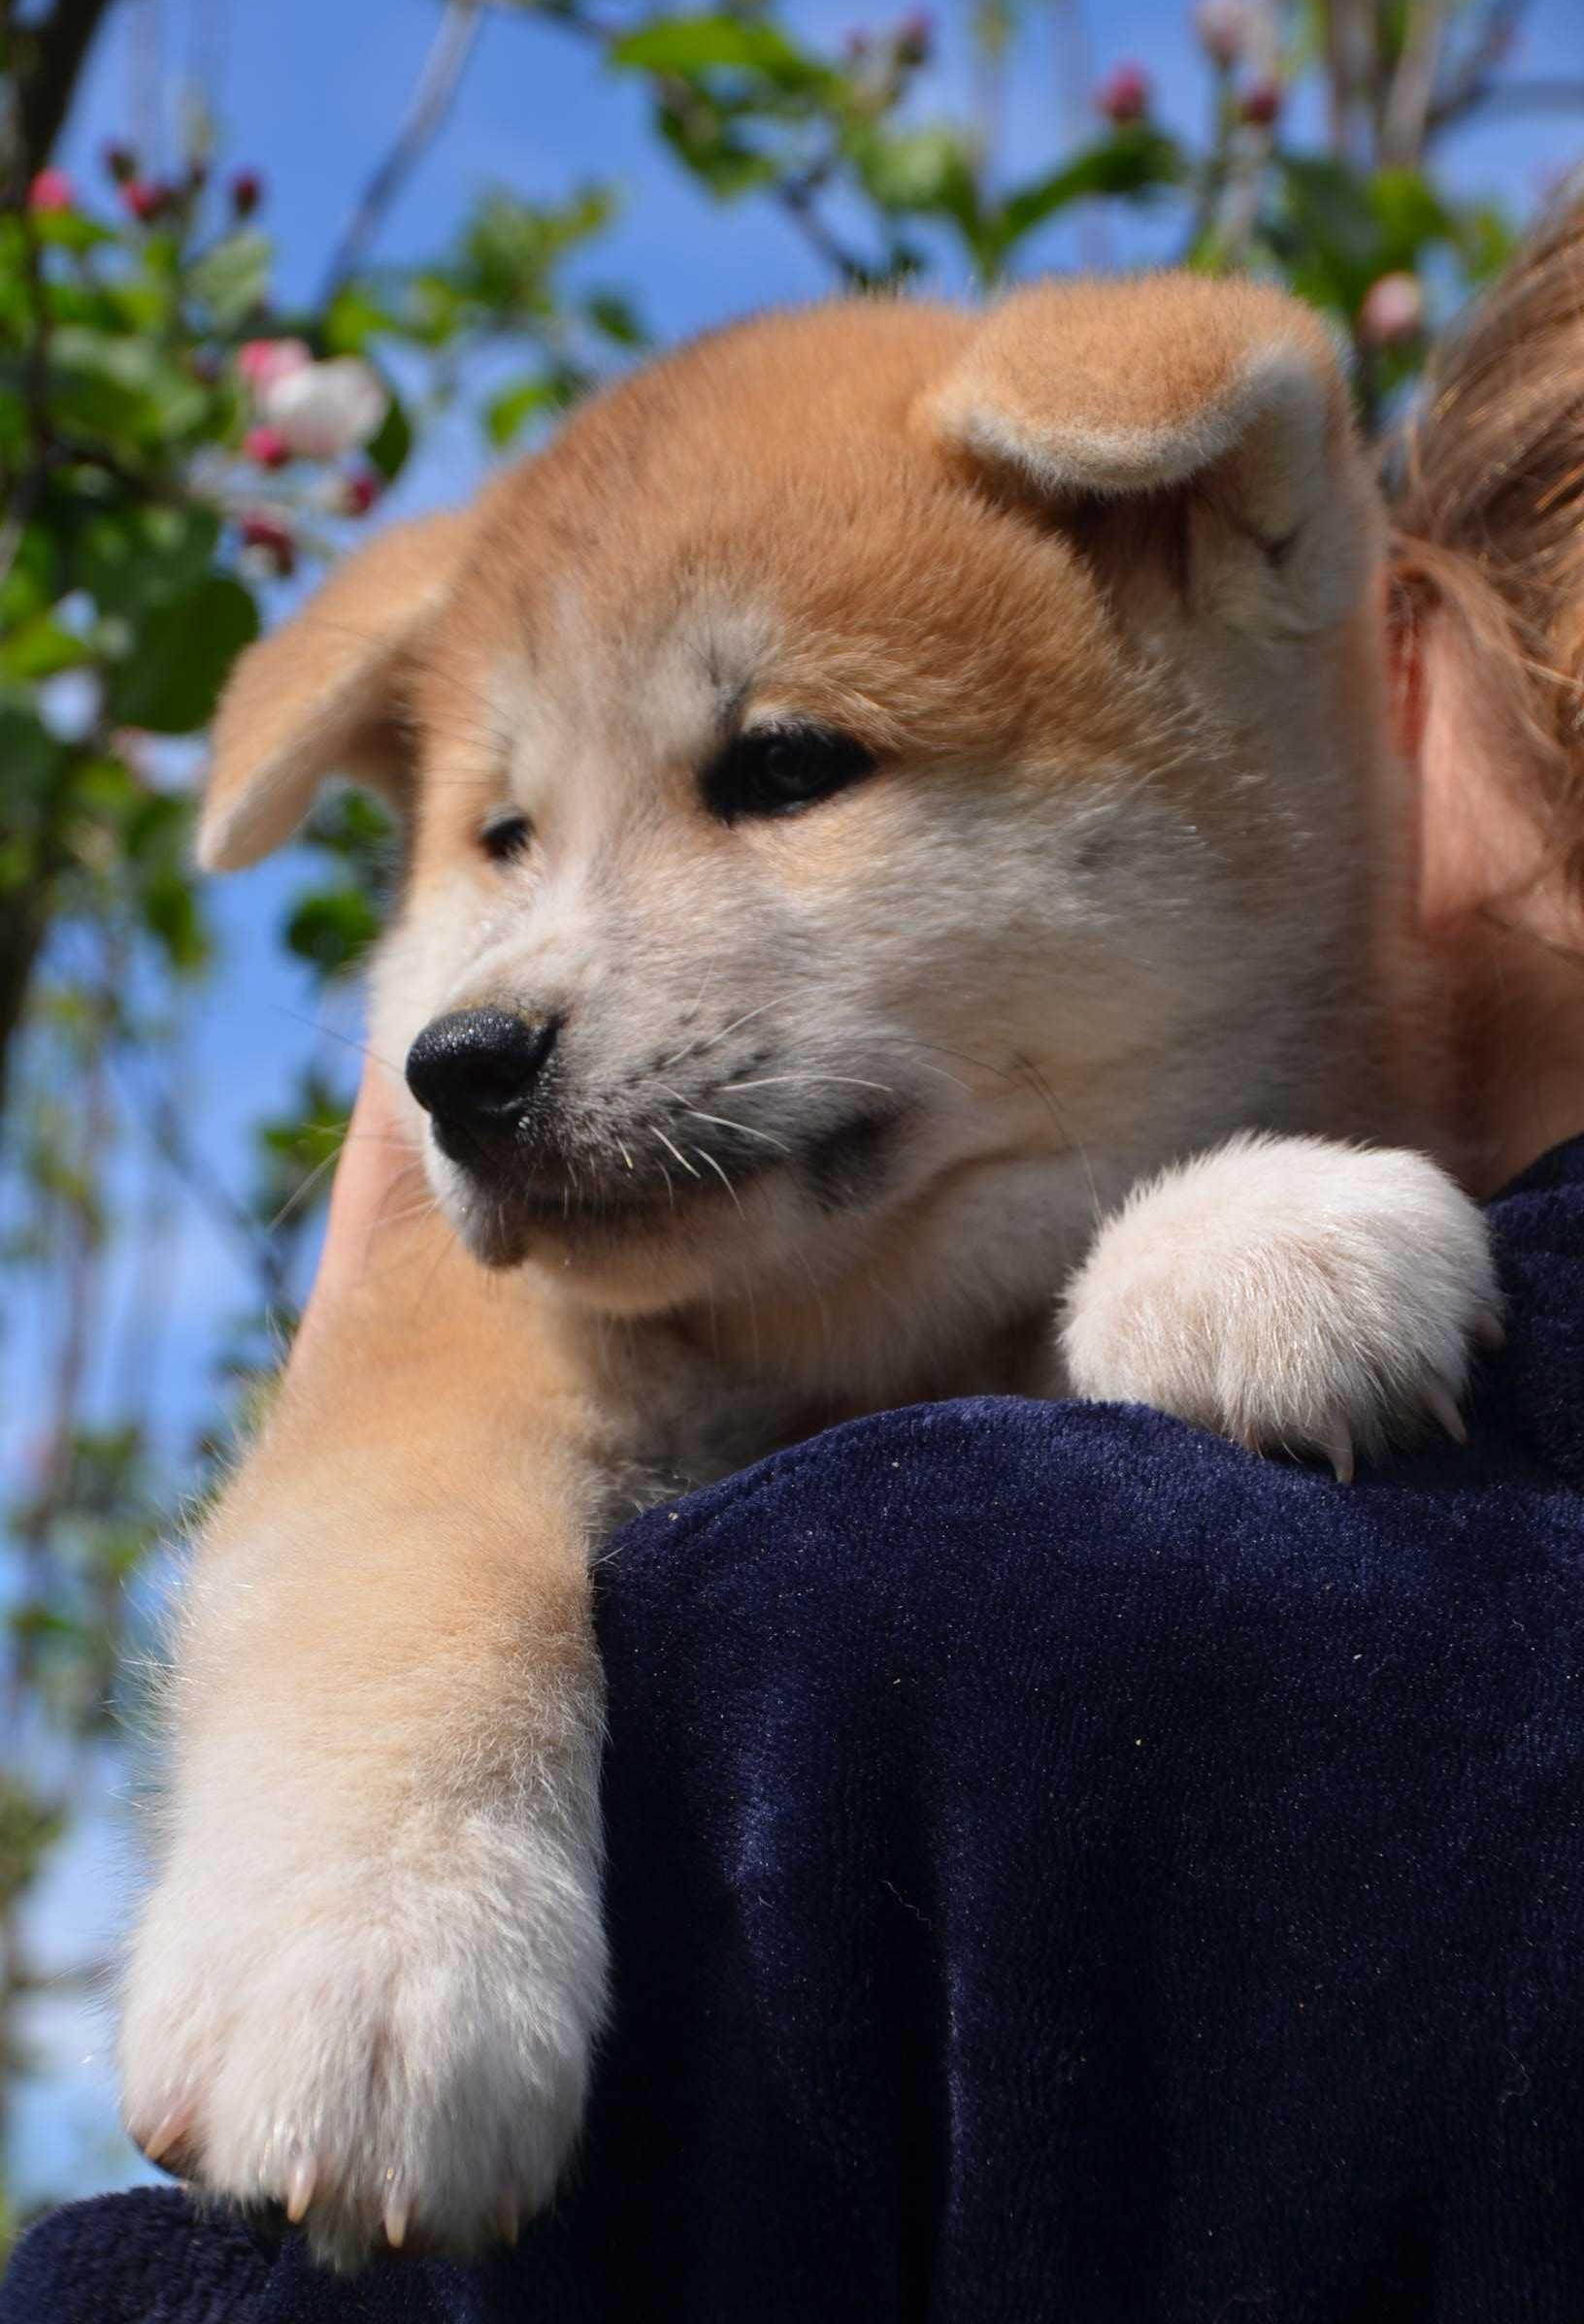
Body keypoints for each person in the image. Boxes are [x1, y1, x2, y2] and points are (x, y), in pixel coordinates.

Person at [6, 200, 1584, 2324]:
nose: (503, 1003)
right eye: (499, 839)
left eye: (778, 768)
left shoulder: (935, 1634)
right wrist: (387, 1808)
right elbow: (422, 1463)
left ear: (1210, 546)